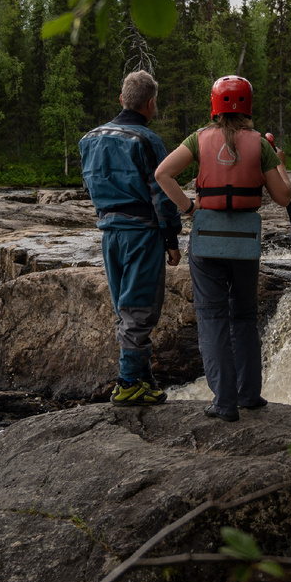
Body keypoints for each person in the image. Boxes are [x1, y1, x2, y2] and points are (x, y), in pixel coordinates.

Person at [154, 75, 291, 422]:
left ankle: (224, 402)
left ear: (215, 108)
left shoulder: (198, 139)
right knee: (244, 316)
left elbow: (162, 174)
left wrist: (188, 208)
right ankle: (249, 395)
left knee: (213, 318)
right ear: (248, 106)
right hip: (244, 242)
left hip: (207, 240)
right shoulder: (260, 144)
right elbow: (283, 196)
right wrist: (280, 162)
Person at [79, 70, 182, 406]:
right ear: (150, 104)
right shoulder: (146, 141)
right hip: (142, 234)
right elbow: (160, 194)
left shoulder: (89, 139)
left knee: (125, 309)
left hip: (109, 233)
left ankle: (143, 379)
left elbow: (91, 187)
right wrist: (171, 238)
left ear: (122, 99)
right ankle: (127, 383)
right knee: (139, 309)